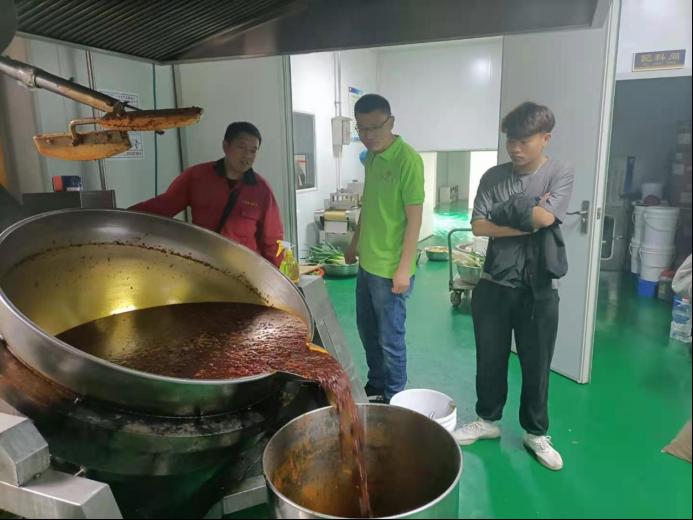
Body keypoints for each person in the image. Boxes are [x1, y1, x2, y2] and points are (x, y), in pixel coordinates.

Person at [453, 102, 575, 471]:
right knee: (489, 358)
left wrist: (509, 211)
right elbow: (479, 226)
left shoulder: (559, 172)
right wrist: (528, 216)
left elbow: (546, 218)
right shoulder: (493, 176)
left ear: (545, 138)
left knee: (537, 364)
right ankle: (487, 420)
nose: (515, 148)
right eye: (511, 141)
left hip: (539, 288)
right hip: (493, 282)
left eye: (524, 141)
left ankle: (535, 433)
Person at [344, 94, 424, 403]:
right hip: (367, 264)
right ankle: (376, 384)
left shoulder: (407, 160)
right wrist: (354, 243)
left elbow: (414, 219)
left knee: (391, 338)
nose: (368, 135)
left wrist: (404, 268)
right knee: (367, 330)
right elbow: (370, 205)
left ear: (391, 122)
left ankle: (395, 397)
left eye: (375, 127)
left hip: (391, 269)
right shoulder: (371, 158)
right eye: (362, 129)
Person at [130, 122, 284, 265]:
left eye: (253, 151)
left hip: (245, 270)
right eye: (241, 147)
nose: (247, 155)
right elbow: (163, 206)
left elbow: (273, 241)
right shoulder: (197, 177)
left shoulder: (262, 190)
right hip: (203, 264)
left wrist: (282, 279)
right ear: (226, 146)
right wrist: (125, 218)